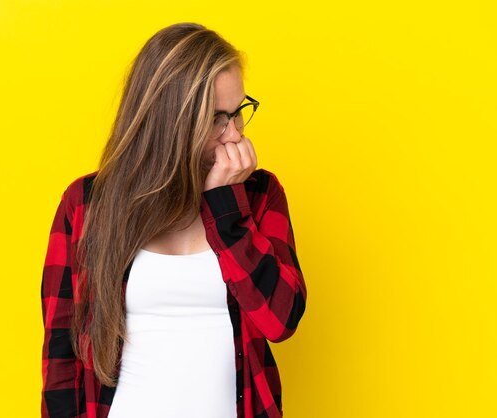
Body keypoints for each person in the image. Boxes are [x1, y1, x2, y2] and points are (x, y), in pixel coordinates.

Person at [41, 22, 307, 418]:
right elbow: (61, 354)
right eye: (217, 119)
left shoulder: (258, 195)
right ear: (171, 121)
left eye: (239, 113)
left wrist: (226, 207)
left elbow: (281, 318)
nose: (234, 135)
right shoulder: (87, 205)